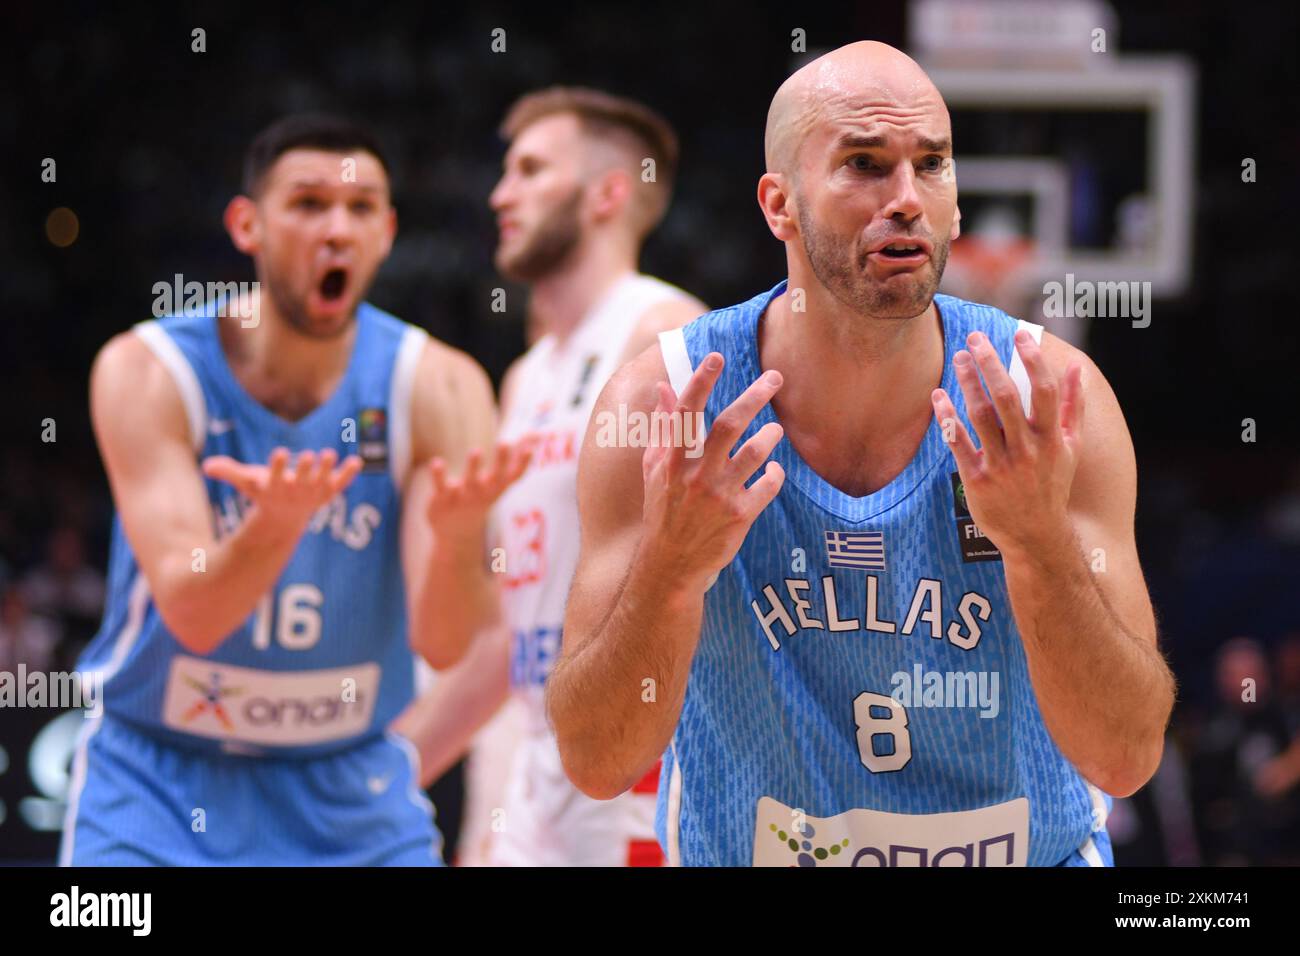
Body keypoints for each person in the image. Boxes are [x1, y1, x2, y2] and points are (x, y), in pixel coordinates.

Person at [548, 41, 1176, 867]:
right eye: (866, 165)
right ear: (779, 203)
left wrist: (1039, 547)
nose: (908, 199)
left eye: (933, 165)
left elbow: (1125, 757)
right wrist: (669, 570)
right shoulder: (662, 408)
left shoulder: (1048, 399)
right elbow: (597, 763)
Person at [61, 113, 526, 866]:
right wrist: (274, 526)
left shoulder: (439, 385)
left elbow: (444, 640)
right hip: (157, 778)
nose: (337, 229)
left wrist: (457, 537)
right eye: (309, 204)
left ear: (388, 231)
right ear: (248, 225)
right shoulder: (147, 371)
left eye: (361, 208)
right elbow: (195, 612)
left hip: (348, 781)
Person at [393, 87, 705, 866]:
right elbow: (508, 637)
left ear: (607, 192)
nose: (502, 194)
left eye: (530, 170)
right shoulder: (526, 378)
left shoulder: (663, 336)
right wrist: (381, 775)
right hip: (540, 765)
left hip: (644, 776)